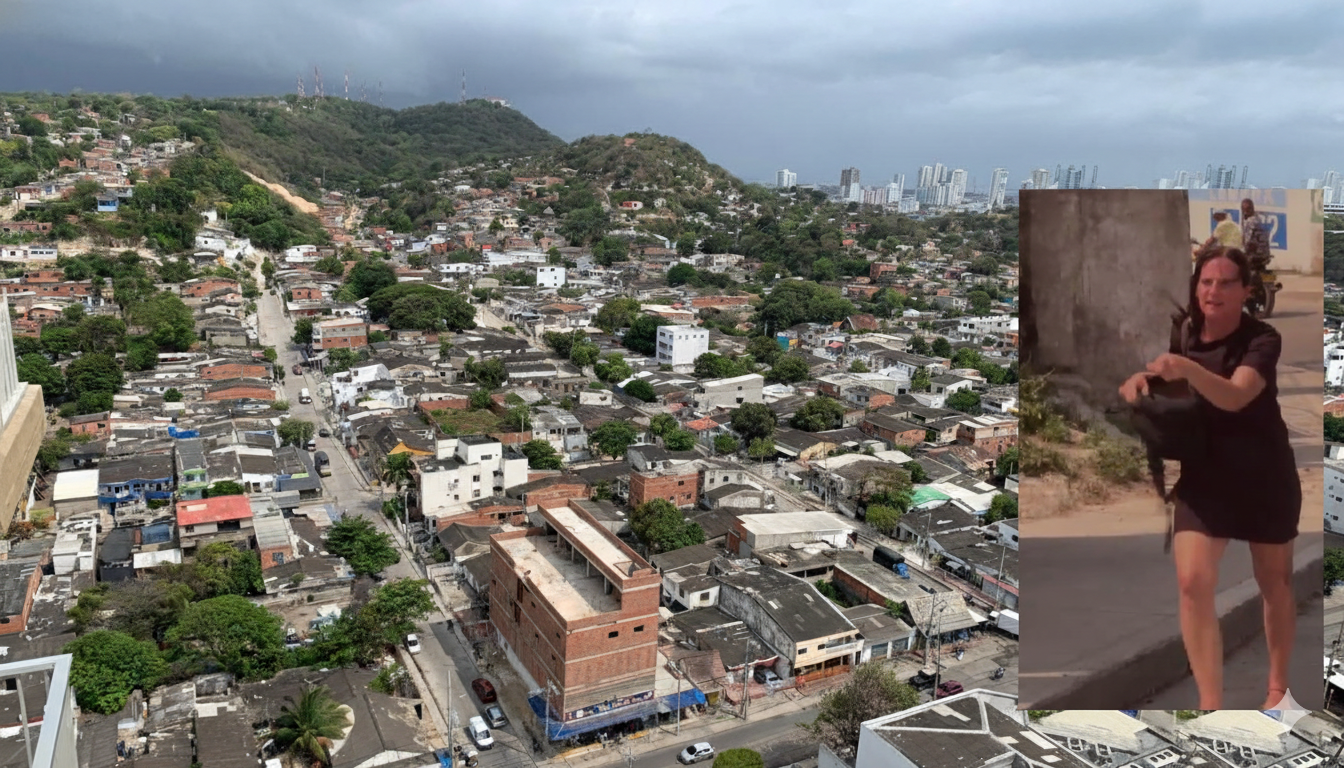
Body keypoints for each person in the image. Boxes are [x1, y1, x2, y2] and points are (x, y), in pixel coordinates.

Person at [1118, 246, 1300, 710]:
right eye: (1206, 282)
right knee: (1192, 582)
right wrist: (1144, 378)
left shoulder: (1263, 339)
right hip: (1206, 472)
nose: (1213, 291)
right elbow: (1177, 380)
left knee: (1274, 582)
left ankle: (1277, 687)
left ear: (1245, 291)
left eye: (1224, 282)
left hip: (1264, 474)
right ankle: (1209, 702)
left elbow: (1237, 395)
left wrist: (1186, 368)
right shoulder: (1186, 332)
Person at [1240, 198, 1272, 266]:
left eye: (1247, 208)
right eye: (1244, 209)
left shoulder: (1252, 221)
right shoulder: (1257, 218)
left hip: (1255, 254)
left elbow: (1248, 242)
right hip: (1264, 254)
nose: (1245, 211)